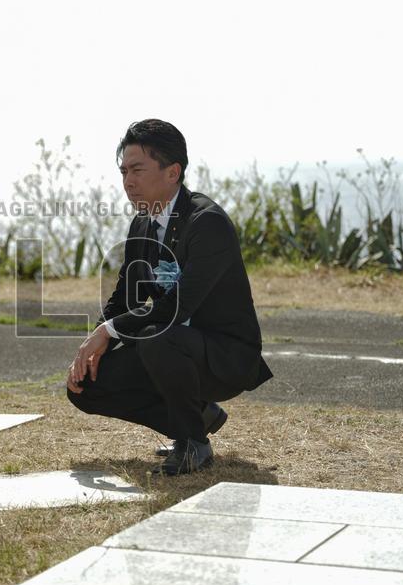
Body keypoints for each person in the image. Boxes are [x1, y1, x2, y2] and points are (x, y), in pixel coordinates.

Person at [66, 118, 273, 476]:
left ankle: (194, 443)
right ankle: (194, 420)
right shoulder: (141, 223)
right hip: (168, 345)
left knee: (156, 336)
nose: (128, 182)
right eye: (123, 171)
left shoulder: (207, 222)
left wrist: (110, 332)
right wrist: (95, 342)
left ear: (172, 172)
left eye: (138, 170)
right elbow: (124, 298)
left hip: (224, 356)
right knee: (84, 387)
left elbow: (177, 308)